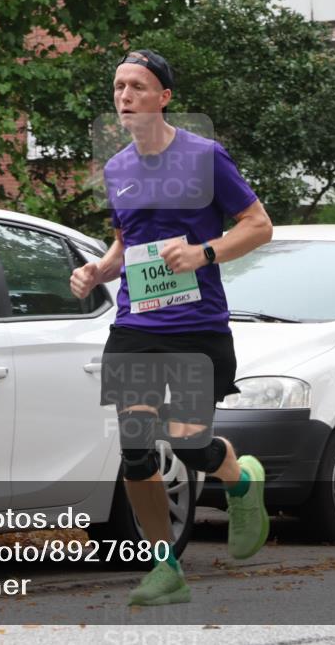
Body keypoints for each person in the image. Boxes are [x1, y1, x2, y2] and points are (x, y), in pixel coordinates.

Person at [70, 49, 274, 606]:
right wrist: (99, 269)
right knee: (136, 449)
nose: (125, 97)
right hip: (137, 322)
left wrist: (205, 252)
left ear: (165, 98)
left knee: (189, 444)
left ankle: (240, 480)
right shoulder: (116, 169)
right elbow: (126, 240)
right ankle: (165, 567)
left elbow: (258, 226)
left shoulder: (205, 157)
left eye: (138, 86)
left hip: (197, 325)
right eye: (118, 87)